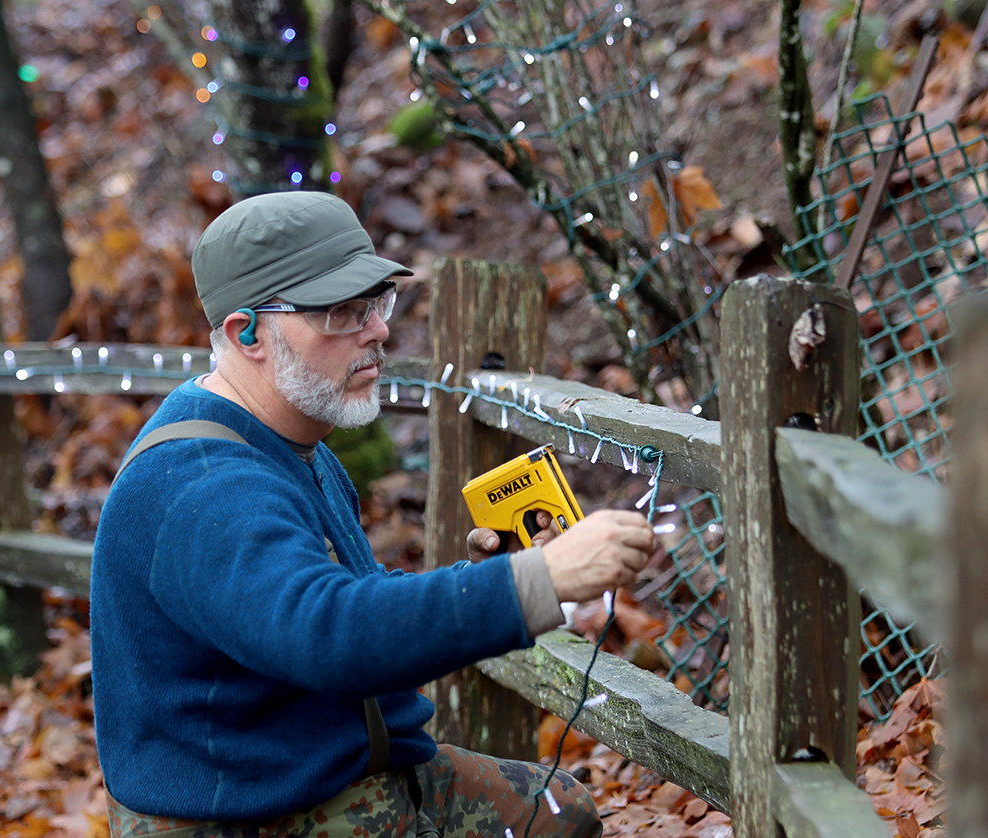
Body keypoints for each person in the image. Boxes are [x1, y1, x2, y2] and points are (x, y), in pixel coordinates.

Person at [90, 191, 655, 838]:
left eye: (375, 303)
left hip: (347, 770)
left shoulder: (294, 445)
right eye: (339, 312)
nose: (379, 330)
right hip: (256, 814)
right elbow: (328, 634)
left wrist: (498, 575)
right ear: (246, 332)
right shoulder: (200, 486)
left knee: (559, 812)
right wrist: (540, 582)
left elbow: (336, 600)